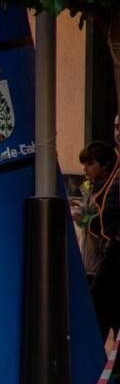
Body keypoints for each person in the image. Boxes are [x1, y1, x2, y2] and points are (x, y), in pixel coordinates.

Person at [74, 140, 120, 340]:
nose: (85, 168)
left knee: (103, 311)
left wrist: (83, 219)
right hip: (89, 259)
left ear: (105, 165)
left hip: (104, 258)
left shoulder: (109, 189)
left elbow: (100, 224)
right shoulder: (88, 187)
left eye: (90, 163)